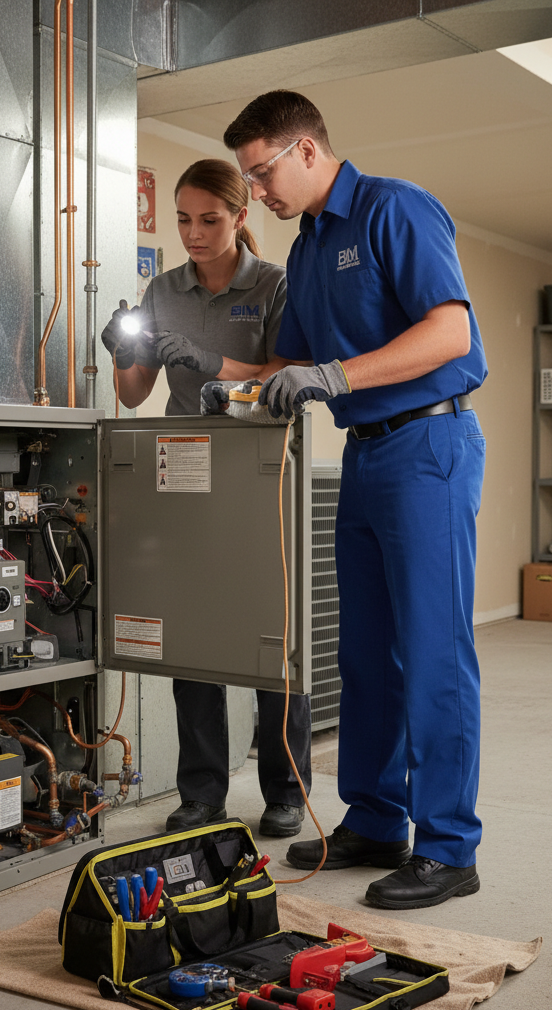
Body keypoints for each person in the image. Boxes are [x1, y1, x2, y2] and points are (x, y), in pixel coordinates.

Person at [223, 91, 487, 909]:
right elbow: (284, 367)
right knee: (367, 654)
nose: (257, 191)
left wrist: (334, 378)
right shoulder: (305, 252)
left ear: (306, 151)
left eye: (262, 172)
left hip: (429, 447)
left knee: (434, 655)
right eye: (249, 177)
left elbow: (451, 334)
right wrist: (210, 378)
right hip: (368, 459)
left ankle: (449, 848)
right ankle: (375, 819)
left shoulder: (394, 210)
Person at [101, 158, 313, 838]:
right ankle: (202, 794)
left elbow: (282, 377)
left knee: (269, 639)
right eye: (184, 220)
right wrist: (120, 350)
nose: (194, 234)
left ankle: (285, 790)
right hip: (184, 473)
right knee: (190, 637)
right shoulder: (162, 288)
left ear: (241, 216)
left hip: (260, 469)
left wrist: (204, 359)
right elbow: (134, 394)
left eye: (210, 220)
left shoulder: (277, 285)